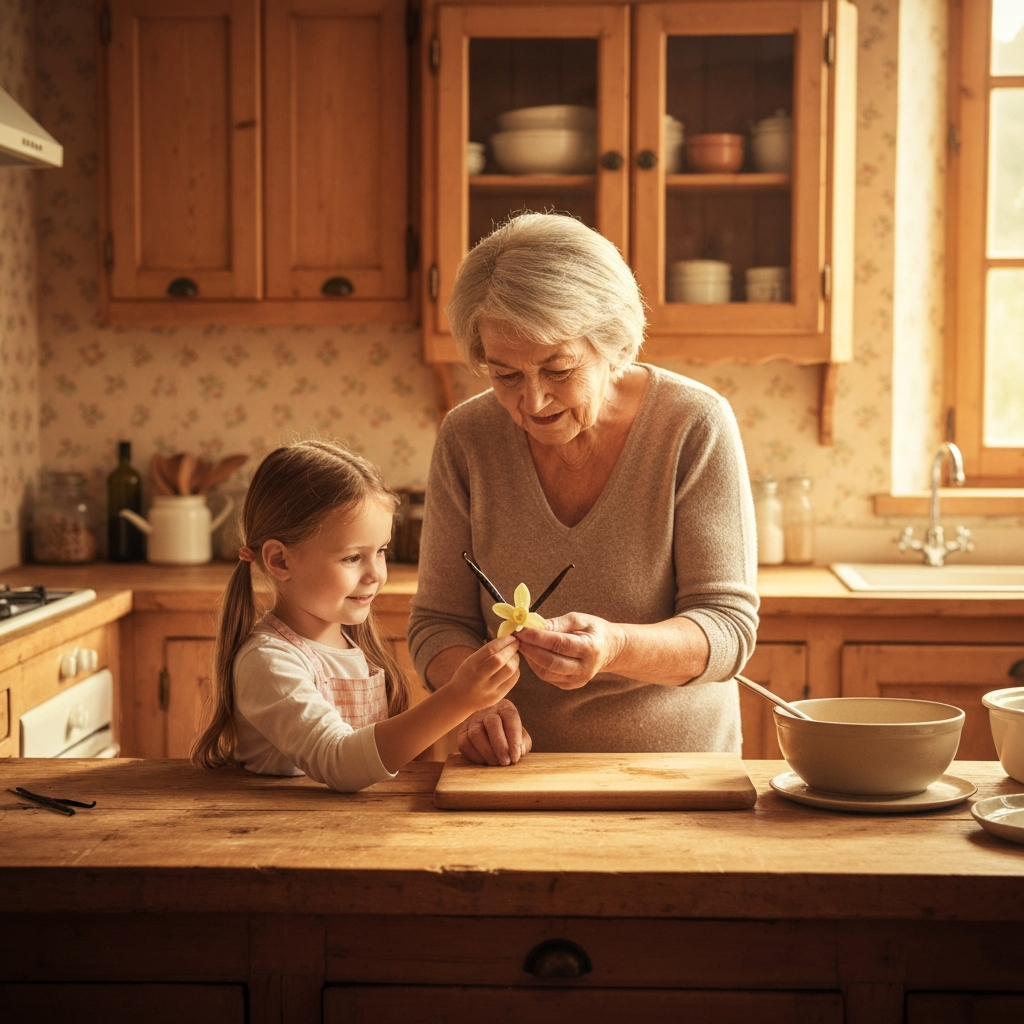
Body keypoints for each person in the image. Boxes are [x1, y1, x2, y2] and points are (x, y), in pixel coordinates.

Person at [408, 213, 759, 765]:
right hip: (509, 769)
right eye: (505, 375)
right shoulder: (467, 436)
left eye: (558, 369)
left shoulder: (694, 423)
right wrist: (473, 702)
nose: (532, 402)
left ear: (610, 344)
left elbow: (727, 629)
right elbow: (438, 624)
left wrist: (615, 647)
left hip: (676, 772)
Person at [190, 440, 521, 791]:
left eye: (381, 551)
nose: (375, 574)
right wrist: (459, 698)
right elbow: (341, 762)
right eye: (352, 558)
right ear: (280, 560)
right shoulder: (268, 663)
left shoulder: (352, 643)